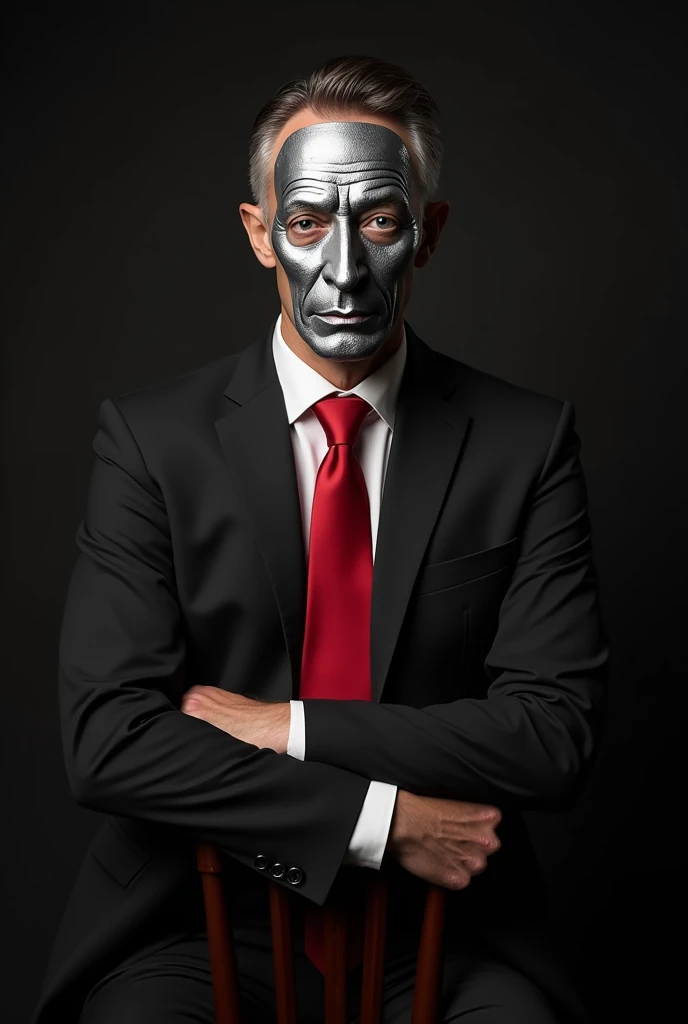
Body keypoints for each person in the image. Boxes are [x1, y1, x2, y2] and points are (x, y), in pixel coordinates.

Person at [32, 55, 608, 1024]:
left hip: (449, 925)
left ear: (425, 233)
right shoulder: (151, 439)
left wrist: (288, 723)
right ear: (260, 234)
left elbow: (551, 737)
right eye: (306, 222)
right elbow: (110, 742)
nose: (342, 267)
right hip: (191, 916)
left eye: (378, 220)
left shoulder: (525, 439)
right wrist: (379, 820)